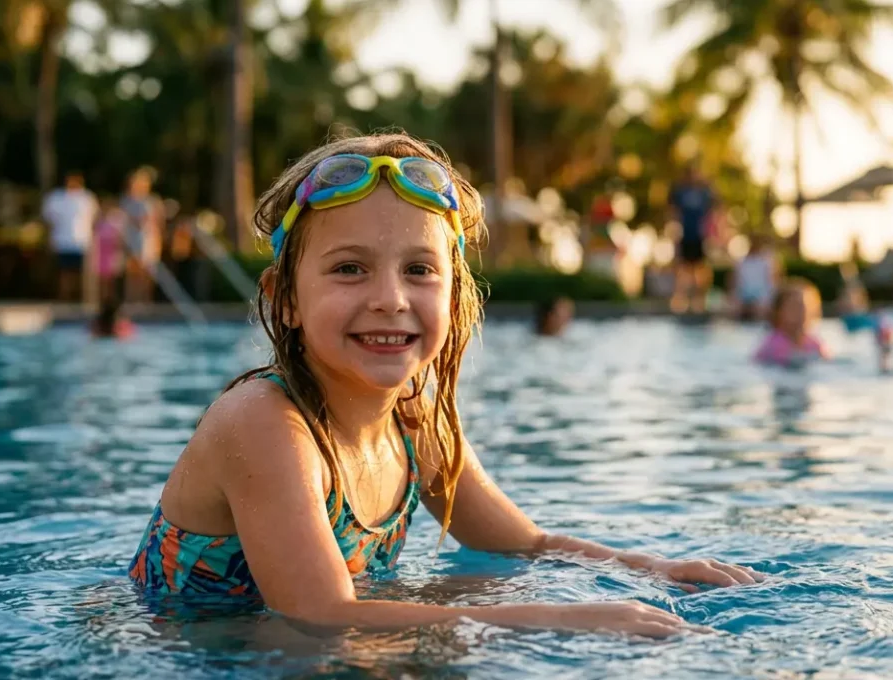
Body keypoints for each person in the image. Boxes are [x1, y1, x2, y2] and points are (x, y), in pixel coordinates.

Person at [128, 133, 759, 638]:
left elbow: (524, 542)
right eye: (350, 269)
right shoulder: (264, 423)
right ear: (285, 299)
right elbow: (319, 615)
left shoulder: (413, 415)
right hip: (184, 646)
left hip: (287, 632)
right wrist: (567, 620)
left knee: (482, 589)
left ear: (454, 295)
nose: (389, 299)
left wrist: (654, 570)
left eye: (420, 270)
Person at [40, 171, 98, 302]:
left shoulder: (87, 198)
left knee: (81, 273)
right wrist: (49, 239)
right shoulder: (56, 197)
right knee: (64, 272)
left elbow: (94, 219)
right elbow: (48, 220)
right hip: (62, 241)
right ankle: (64, 297)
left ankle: (80, 298)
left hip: (82, 241)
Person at [668, 163, 715, 314]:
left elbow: (712, 212)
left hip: (700, 237)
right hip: (685, 235)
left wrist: (711, 234)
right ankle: (680, 300)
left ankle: (699, 301)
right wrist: (674, 232)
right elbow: (673, 212)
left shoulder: (704, 193)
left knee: (700, 269)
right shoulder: (680, 192)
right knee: (682, 269)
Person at [754, 278, 828, 368]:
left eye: (805, 307)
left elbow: (828, 361)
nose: (801, 312)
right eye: (795, 307)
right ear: (778, 312)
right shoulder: (772, 344)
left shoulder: (814, 342)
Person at [120, 168, 163, 304]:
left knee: (146, 272)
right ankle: (131, 300)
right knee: (132, 272)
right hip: (131, 239)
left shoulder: (152, 201)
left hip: (147, 240)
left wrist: (157, 242)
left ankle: (145, 300)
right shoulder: (126, 201)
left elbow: (158, 223)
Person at [731, 234, 781, 321]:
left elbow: (774, 281)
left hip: (763, 297)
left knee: (761, 308)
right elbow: (735, 283)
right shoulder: (741, 262)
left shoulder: (768, 261)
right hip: (744, 297)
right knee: (734, 307)